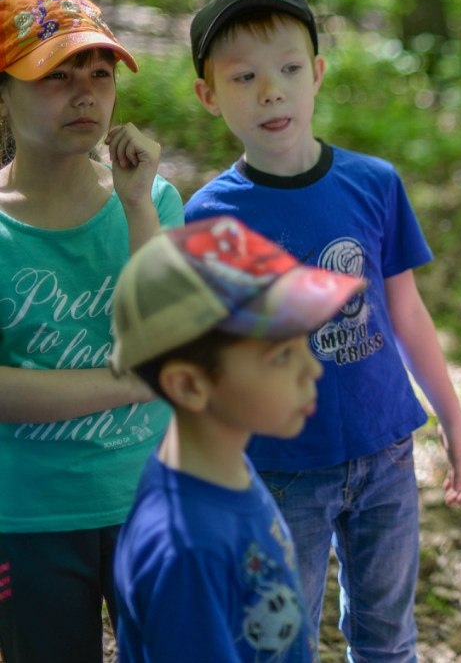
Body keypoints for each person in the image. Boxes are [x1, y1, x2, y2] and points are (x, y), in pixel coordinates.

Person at [183, 0, 461, 660]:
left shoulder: (374, 184)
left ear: (316, 74)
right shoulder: (210, 215)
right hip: (284, 465)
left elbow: (406, 311)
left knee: (387, 635)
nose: (271, 91)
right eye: (244, 77)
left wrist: (454, 421)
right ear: (208, 95)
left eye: (289, 69)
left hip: (386, 451)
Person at [0, 0, 183, 662]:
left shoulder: (153, 200)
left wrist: (136, 205)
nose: (84, 93)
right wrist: (128, 381)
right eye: (55, 74)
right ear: (5, 94)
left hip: (153, 500)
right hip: (27, 516)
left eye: (99, 74)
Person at [112, 216, 366, 661]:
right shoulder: (185, 550)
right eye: (282, 355)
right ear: (190, 385)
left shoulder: (226, 467)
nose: (313, 370)